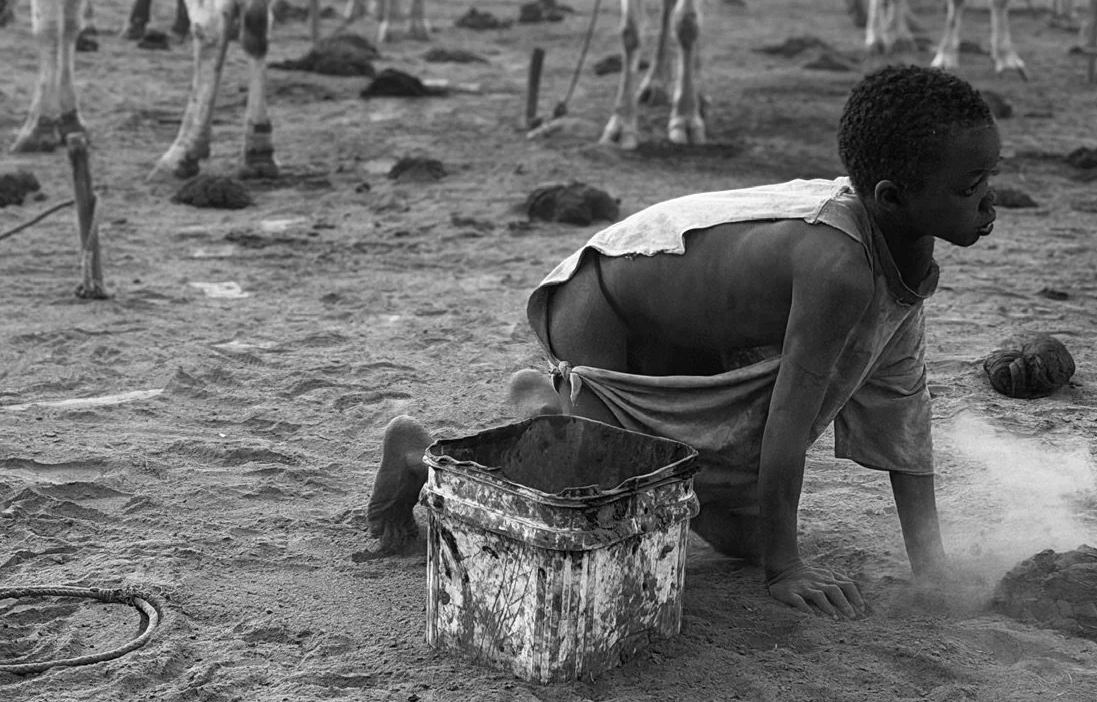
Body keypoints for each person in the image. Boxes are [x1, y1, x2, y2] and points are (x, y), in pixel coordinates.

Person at [368, 64, 1000, 619]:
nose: (989, 202)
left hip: (685, 331)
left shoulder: (909, 258)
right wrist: (787, 572)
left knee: (739, 533)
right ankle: (422, 453)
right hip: (604, 306)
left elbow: (900, 408)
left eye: (989, 178)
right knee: (590, 517)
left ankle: (549, 411)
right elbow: (786, 421)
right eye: (970, 188)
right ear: (891, 197)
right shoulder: (839, 268)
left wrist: (930, 567)